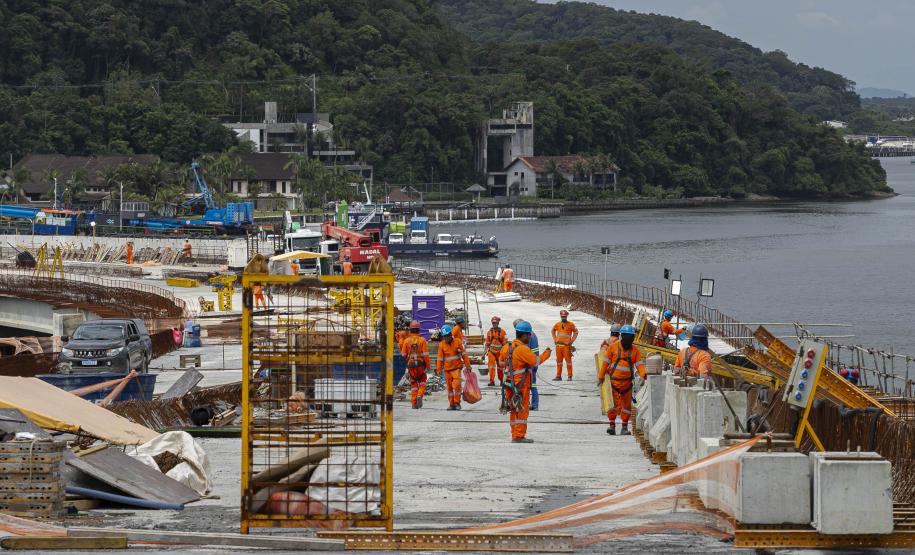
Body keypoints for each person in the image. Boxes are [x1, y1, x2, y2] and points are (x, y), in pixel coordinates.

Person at [498, 320, 551, 443]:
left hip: (509, 384)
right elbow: (536, 361)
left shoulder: (507, 347)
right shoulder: (522, 349)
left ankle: (514, 434)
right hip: (521, 386)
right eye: (529, 335)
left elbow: (501, 363)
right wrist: (547, 353)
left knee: (513, 409)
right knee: (522, 410)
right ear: (524, 334)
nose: (530, 337)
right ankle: (519, 436)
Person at [598, 324, 646, 436]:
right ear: (622, 336)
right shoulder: (613, 347)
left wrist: (644, 375)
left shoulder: (635, 351)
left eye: (630, 337)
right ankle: (612, 425)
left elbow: (639, 365)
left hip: (627, 384)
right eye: (627, 336)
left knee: (626, 407)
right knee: (612, 405)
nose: (628, 339)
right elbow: (605, 363)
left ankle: (624, 427)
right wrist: (601, 377)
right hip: (613, 383)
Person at [436, 324, 471, 410]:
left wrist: (468, 365)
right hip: (447, 370)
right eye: (444, 336)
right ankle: (451, 404)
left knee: (457, 386)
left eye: (447, 336)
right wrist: (439, 369)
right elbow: (440, 358)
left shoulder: (457, 342)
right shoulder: (441, 345)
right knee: (449, 388)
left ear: (450, 334)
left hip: (456, 368)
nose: (446, 338)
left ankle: (457, 403)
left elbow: (464, 354)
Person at [400, 320, 431, 409]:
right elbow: (426, 355)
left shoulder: (407, 341)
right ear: (418, 330)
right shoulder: (422, 340)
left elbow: (403, 355)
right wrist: (428, 366)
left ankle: (414, 404)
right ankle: (420, 395)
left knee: (413, 383)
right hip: (421, 364)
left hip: (411, 365)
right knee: (422, 380)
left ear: (410, 330)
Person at [551, 310, 579, 381]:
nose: (563, 318)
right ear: (560, 316)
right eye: (562, 316)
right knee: (559, 362)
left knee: (568, 362)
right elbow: (553, 330)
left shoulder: (571, 324)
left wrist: (571, 341)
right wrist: (555, 339)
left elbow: (576, 332)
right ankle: (558, 376)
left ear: (567, 316)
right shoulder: (557, 324)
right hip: (558, 346)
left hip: (566, 346)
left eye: (565, 316)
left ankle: (569, 376)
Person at [484, 316, 507, 387]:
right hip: (491, 352)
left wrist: (505, 353)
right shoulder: (489, 332)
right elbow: (487, 343)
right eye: (493, 323)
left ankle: (501, 381)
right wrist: (484, 353)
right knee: (491, 367)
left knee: (500, 368)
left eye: (495, 323)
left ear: (498, 323)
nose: (494, 324)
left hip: (500, 353)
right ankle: (492, 381)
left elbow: (505, 344)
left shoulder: (503, 332)